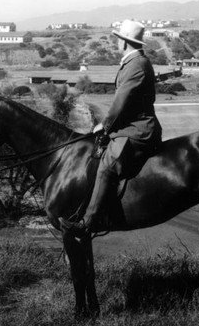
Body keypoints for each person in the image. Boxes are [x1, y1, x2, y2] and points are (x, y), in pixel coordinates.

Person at [59, 20, 162, 236]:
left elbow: (120, 104)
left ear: (124, 43)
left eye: (118, 40)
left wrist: (104, 127)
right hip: (130, 126)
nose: (117, 44)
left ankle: (89, 222)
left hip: (137, 130)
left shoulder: (136, 65)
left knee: (107, 166)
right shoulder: (134, 62)